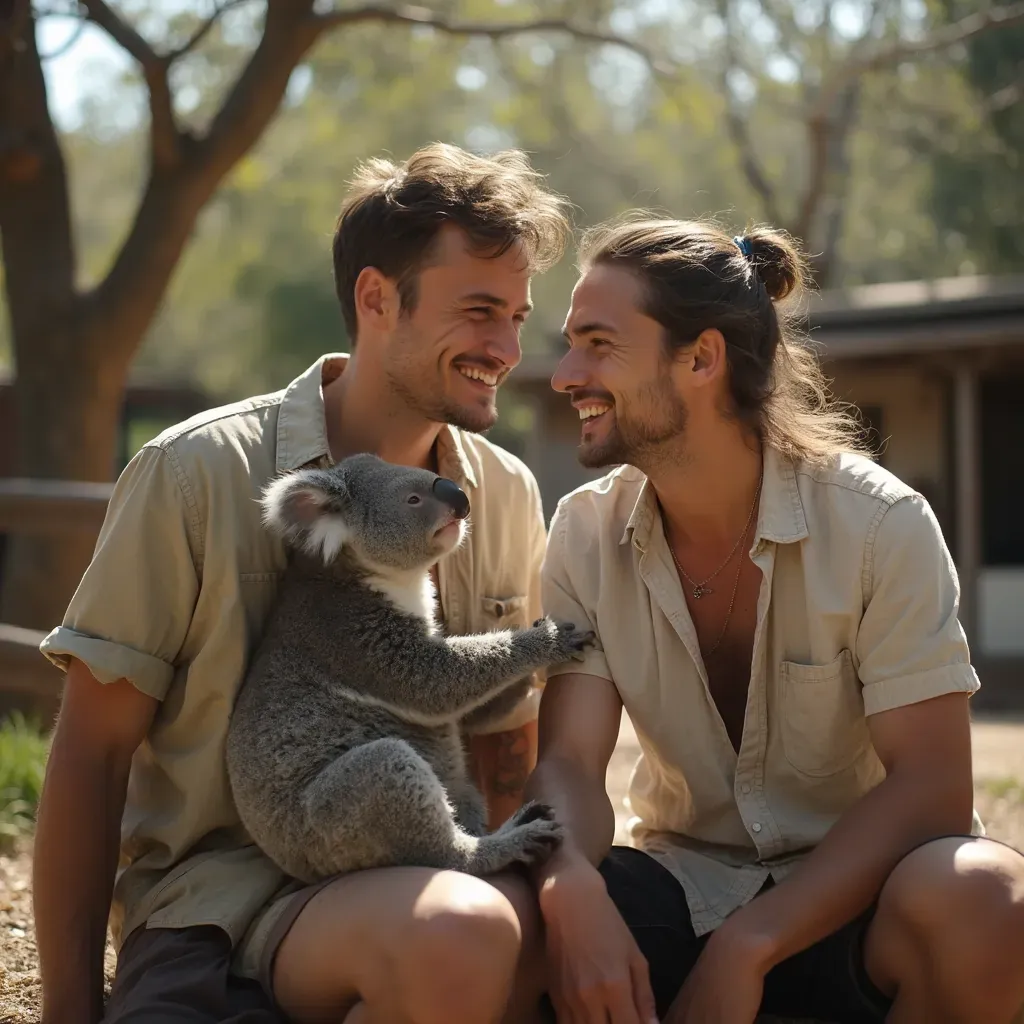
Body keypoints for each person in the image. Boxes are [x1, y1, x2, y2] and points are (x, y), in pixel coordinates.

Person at [32, 142, 571, 1024]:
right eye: (479, 312)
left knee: (478, 937)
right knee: (457, 935)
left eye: (517, 316)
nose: (509, 348)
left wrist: (533, 918)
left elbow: (506, 759)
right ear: (374, 299)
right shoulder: (195, 472)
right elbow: (92, 751)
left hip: (422, 892)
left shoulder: (502, 494)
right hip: (214, 915)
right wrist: (66, 1010)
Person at [525, 214, 1024, 1024]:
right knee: (506, 916)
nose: (563, 373)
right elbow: (573, 766)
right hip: (682, 883)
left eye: (598, 343)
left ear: (701, 358)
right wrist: (565, 880)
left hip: (858, 893)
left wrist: (750, 944)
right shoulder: (583, 531)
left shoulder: (877, 524)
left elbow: (932, 787)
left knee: (987, 900)